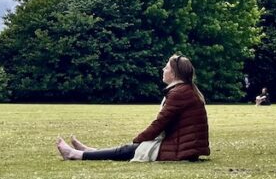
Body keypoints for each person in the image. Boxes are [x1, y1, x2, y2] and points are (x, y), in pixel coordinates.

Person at [56, 53, 210, 161]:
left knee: (129, 150)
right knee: (127, 150)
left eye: (166, 68)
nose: (163, 70)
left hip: (181, 151)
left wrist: (139, 140)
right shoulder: (186, 90)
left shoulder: (179, 93)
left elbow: (159, 124)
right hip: (186, 148)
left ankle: (76, 155)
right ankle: (91, 152)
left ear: (174, 74)